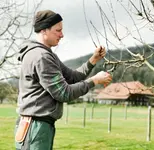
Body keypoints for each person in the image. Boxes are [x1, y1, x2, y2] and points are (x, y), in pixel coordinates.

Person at [15, 10, 112, 150]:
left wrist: (93, 60)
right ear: (44, 30)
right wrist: (94, 81)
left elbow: (72, 78)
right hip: (35, 127)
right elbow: (64, 93)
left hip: (38, 126)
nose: (62, 35)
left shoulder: (47, 55)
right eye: (58, 30)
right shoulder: (41, 57)